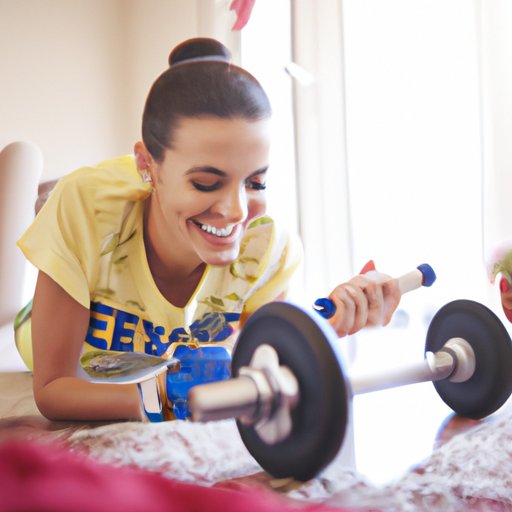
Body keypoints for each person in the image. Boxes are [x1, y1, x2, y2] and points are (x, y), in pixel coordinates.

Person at [15, 37, 401, 423]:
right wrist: (171, 396)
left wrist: (329, 324)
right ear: (147, 164)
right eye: (205, 183)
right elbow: (53, 389)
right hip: (59, 332)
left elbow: (265, 364)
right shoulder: (85, 206)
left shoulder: (267, 249)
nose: (237, 211)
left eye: (255, 183)